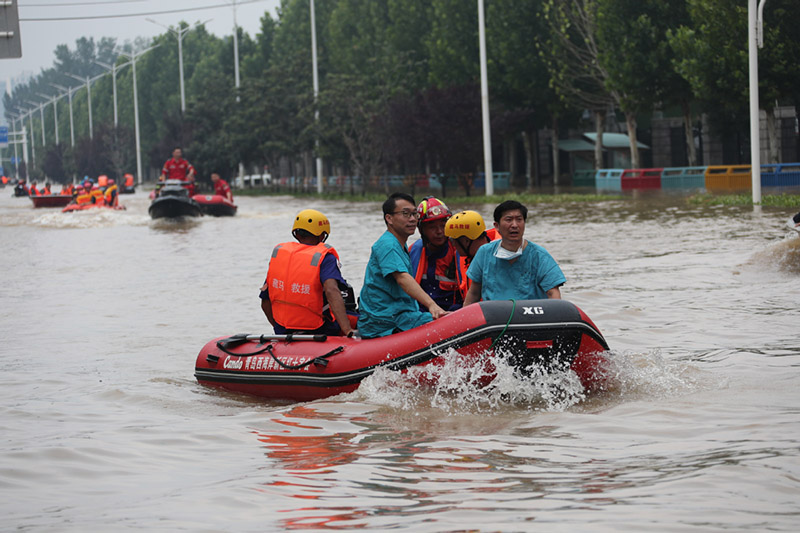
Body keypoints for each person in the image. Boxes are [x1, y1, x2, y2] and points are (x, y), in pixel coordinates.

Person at [357, 192, 448, 339]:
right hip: (385, 322)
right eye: (405, 214)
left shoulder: (400, 244)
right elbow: (402, 279)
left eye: (414, 214)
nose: (412, 219)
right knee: (448, 321)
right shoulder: (389, 245)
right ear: (389, 218)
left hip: (400, 315)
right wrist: (432, 305)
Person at [259, 209, 355, 337]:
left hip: (284, 330)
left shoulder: (280, 256)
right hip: (320, 329)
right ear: (322, 236)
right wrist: (348, 330)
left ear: (297, 234)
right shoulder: (325, 257)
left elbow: (265, 302)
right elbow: (331, 291)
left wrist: (279, 329)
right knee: (358, 318)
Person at [463, 200, 566, 306]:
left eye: (519, 219)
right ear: (497, 226)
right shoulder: (484, 253)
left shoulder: (539, 255)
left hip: (530, 318)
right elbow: (474, 293)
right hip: (494, 319)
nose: (514, 225)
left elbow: (553, 293)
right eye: (508, 220)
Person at [408, 196, 462, 311]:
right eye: (432, 227)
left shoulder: (459, 250)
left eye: (443, 226)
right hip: (422, 315)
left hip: (454, 314)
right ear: (421, 230)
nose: (439, 232)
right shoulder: (413, 251)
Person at [444, 210, 499, 301]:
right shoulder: (464, 258)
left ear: (466, 241)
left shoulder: (499, 258)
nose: (453, 245)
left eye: (453, 241)